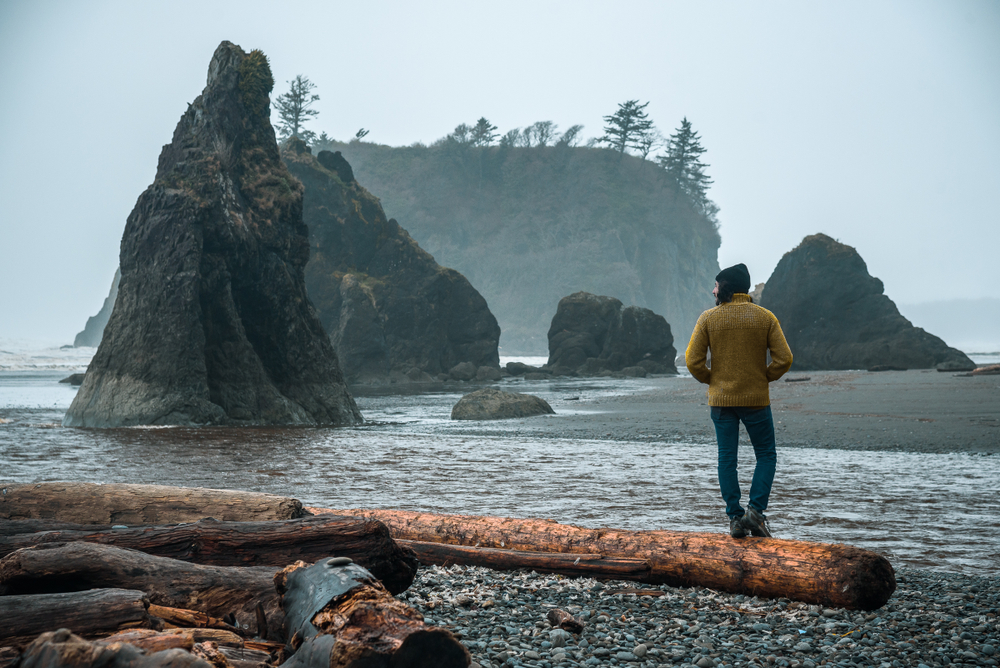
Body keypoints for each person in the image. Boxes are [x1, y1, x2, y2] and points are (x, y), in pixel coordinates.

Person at [685, 263, 793, 538]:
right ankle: (755, 512)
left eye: (716, 285)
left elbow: (692, 361)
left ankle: (735, 518)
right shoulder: (765, 317)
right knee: (766, 455)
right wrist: (763, 377)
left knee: (727, 458)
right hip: (756, 399)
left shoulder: (708, 319)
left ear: (726, 288)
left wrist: (712, 380)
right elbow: (785, 359)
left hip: (721, 401)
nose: (713, 290)